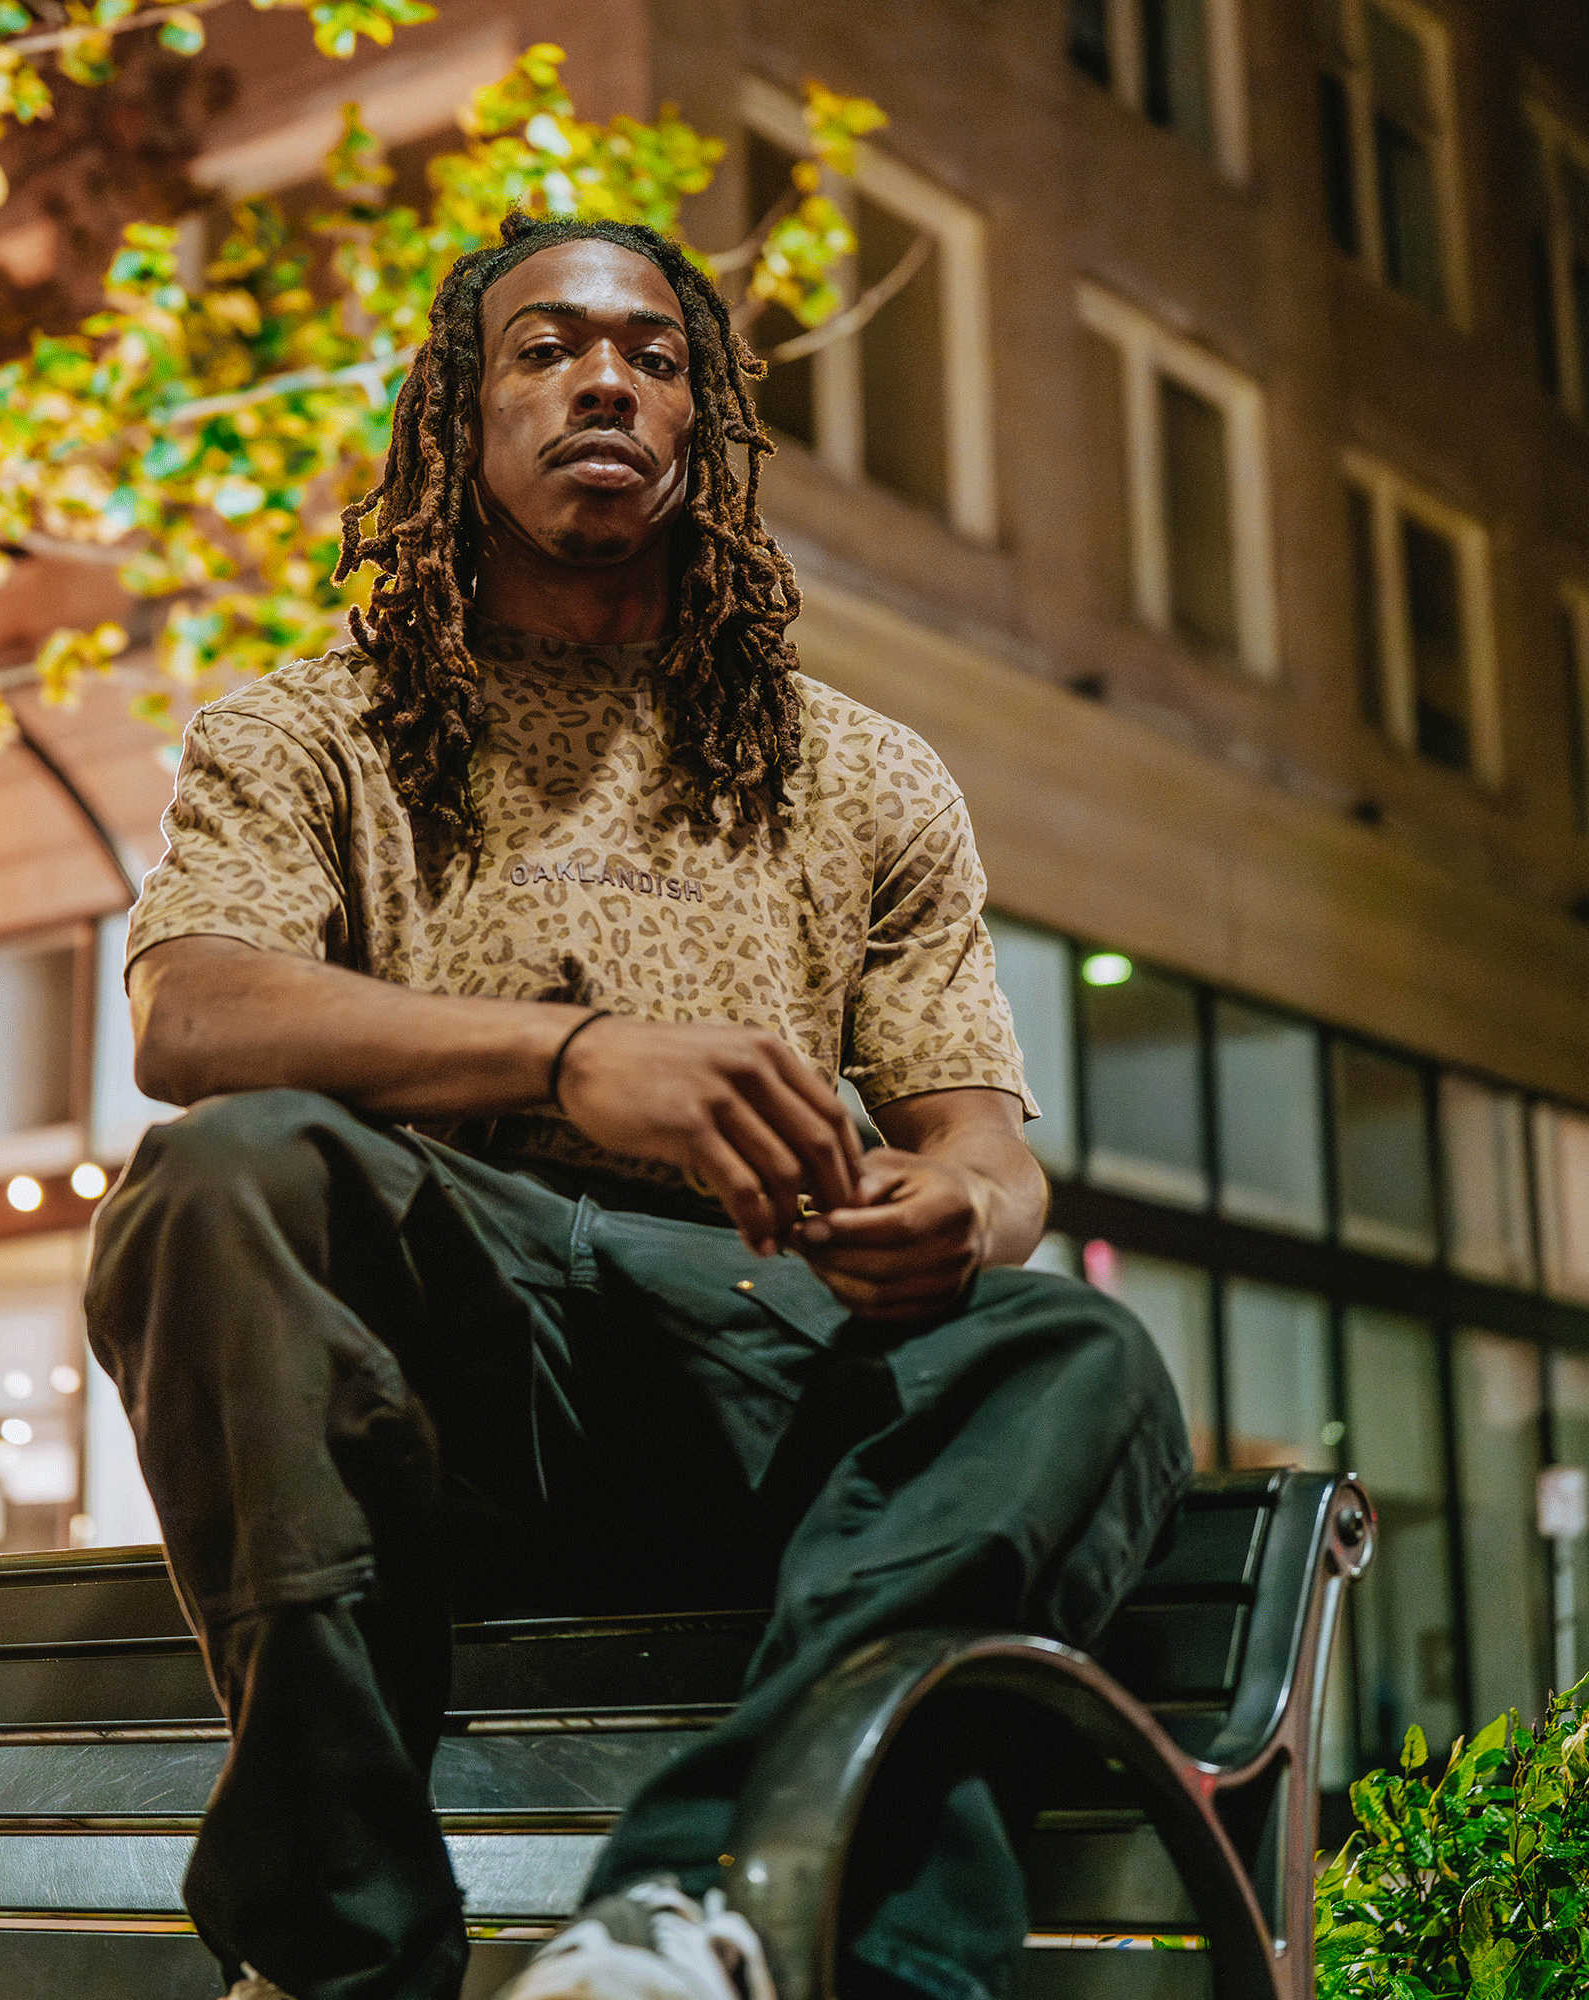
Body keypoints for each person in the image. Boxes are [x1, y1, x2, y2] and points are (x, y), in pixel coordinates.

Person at [85, 210, 1191, 2000]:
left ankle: (722, 1919)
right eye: (544, 347)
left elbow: (983, 1143)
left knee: (1071, 1351)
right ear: (461, 416)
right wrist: (570, 1054)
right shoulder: (307, 730)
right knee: (226, 1174)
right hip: (445, 1376)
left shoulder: (866, 776)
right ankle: (345, 1958)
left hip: (757, 1344)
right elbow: (193, 1009)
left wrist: (956, 1216)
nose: (603, 375)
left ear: (703, 426)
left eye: (652, 354)